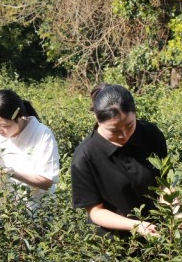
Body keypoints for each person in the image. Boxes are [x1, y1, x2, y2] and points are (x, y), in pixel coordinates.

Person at [71, 84, 167, 237]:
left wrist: (175, 209)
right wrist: (137, 225)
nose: (124, 135)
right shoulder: (85, 157)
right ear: (97, 118)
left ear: (135, 113)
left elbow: (164, 183)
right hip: (114, 244)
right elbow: (96, 211)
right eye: (114, 131)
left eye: (129, 125)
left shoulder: (150, 134)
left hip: (157, 233)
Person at [0, 89, 60, 207]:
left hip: (37, 212)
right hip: (2, 212)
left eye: (4, 125)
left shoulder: (41, 134)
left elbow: (46, 181)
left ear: (20, 117)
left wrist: (12, 173)